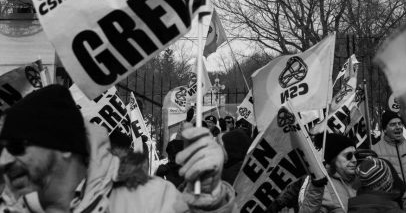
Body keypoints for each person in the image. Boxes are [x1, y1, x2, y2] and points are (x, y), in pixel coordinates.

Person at [0, 84, 234, 212]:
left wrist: (209, 197)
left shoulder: (151, 201)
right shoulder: (9, 205)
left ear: (63, 147)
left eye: (17, 146)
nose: (4, 160)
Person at [299, 133, 359, 213]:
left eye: (356, 155)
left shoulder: (361, 179)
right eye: (348, 156)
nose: (355, 160)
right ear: (332, 159)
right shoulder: (323, 188)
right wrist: (316, 189)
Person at [371, 111, 406, 183]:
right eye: (393, 124)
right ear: (384, 130)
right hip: (392, 194)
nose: (398, 127)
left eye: (400, 123)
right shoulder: (375, 150)